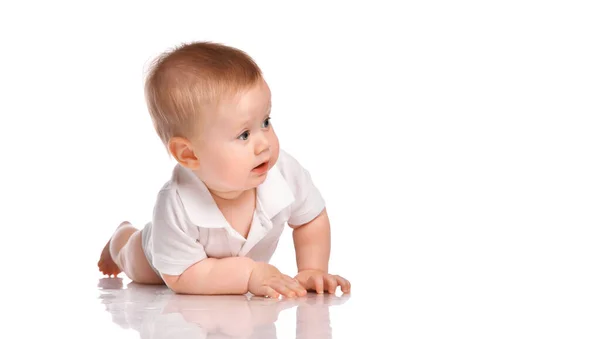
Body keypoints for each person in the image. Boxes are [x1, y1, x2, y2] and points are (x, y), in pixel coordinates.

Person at [97, 41, 351, 299]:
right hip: (163, 257)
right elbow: (183, 276)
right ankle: (120, 237)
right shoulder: (175, 203)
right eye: (244, 135)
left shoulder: (283, 173)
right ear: (189, 154)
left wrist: (311, 269)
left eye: (265, 122)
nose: (263, 143)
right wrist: (248, 274)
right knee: (132, 258)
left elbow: (310, 217)